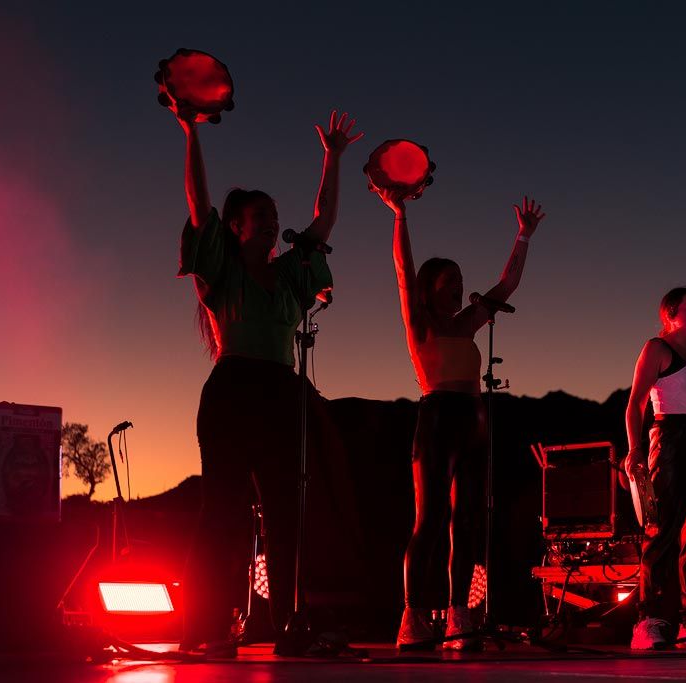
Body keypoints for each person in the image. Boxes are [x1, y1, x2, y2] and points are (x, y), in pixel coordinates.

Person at [171, 104, 362, 655]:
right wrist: (192, 132)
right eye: (263, 216)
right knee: (221, 516)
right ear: (237, 226)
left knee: (286, 515)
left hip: (281, 394)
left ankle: (289, 627)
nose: (275, 224)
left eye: (277, 217)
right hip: (233, 394)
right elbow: (198, 203)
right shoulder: (222, 271)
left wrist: (333, 158)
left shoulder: (288, 278)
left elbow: (323, 222)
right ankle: (206, 629)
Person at [375, 189, 544, 650]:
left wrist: (523, 237)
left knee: (467, 520)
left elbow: (506, 286)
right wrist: (400, 216)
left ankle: (458, 614)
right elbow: (402, 272)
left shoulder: (468, 322)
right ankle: (411, 616)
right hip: (437, 418)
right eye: (449, 280)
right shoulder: (421, 323)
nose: (457, 285)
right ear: (431, 287)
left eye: (460, 279)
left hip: (474, 419)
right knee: (430, 519)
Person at [622, 287, 686, 650]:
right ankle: (648, 620)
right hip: (671, 438)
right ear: (670, 314)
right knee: (663, 531)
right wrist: (635, 447)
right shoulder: (657, 347)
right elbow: (635, 403)